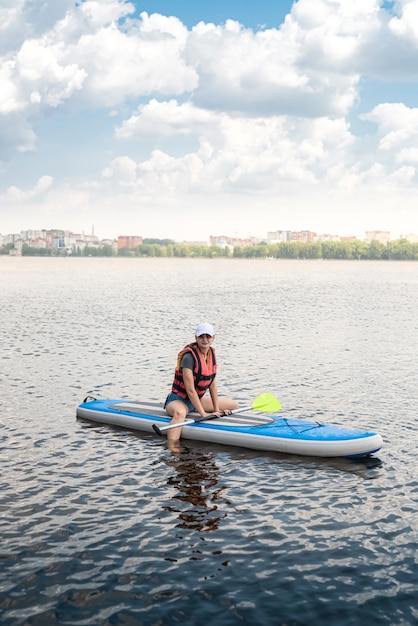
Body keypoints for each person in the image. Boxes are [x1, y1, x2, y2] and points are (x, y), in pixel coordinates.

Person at [164, 322, 239, 446]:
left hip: (196, 401)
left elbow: (212, 385)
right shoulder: (188, 358)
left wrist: (216, 410)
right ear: (196, 337)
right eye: (201, 336)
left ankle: (203, 409)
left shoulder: (211, 355)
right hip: (178, 401)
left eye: (208, 336)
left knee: (233, 405)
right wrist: (203, 414)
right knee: (180, 413)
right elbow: (190, 390)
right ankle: (173, 447)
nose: (205, 339)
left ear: (213, 338)